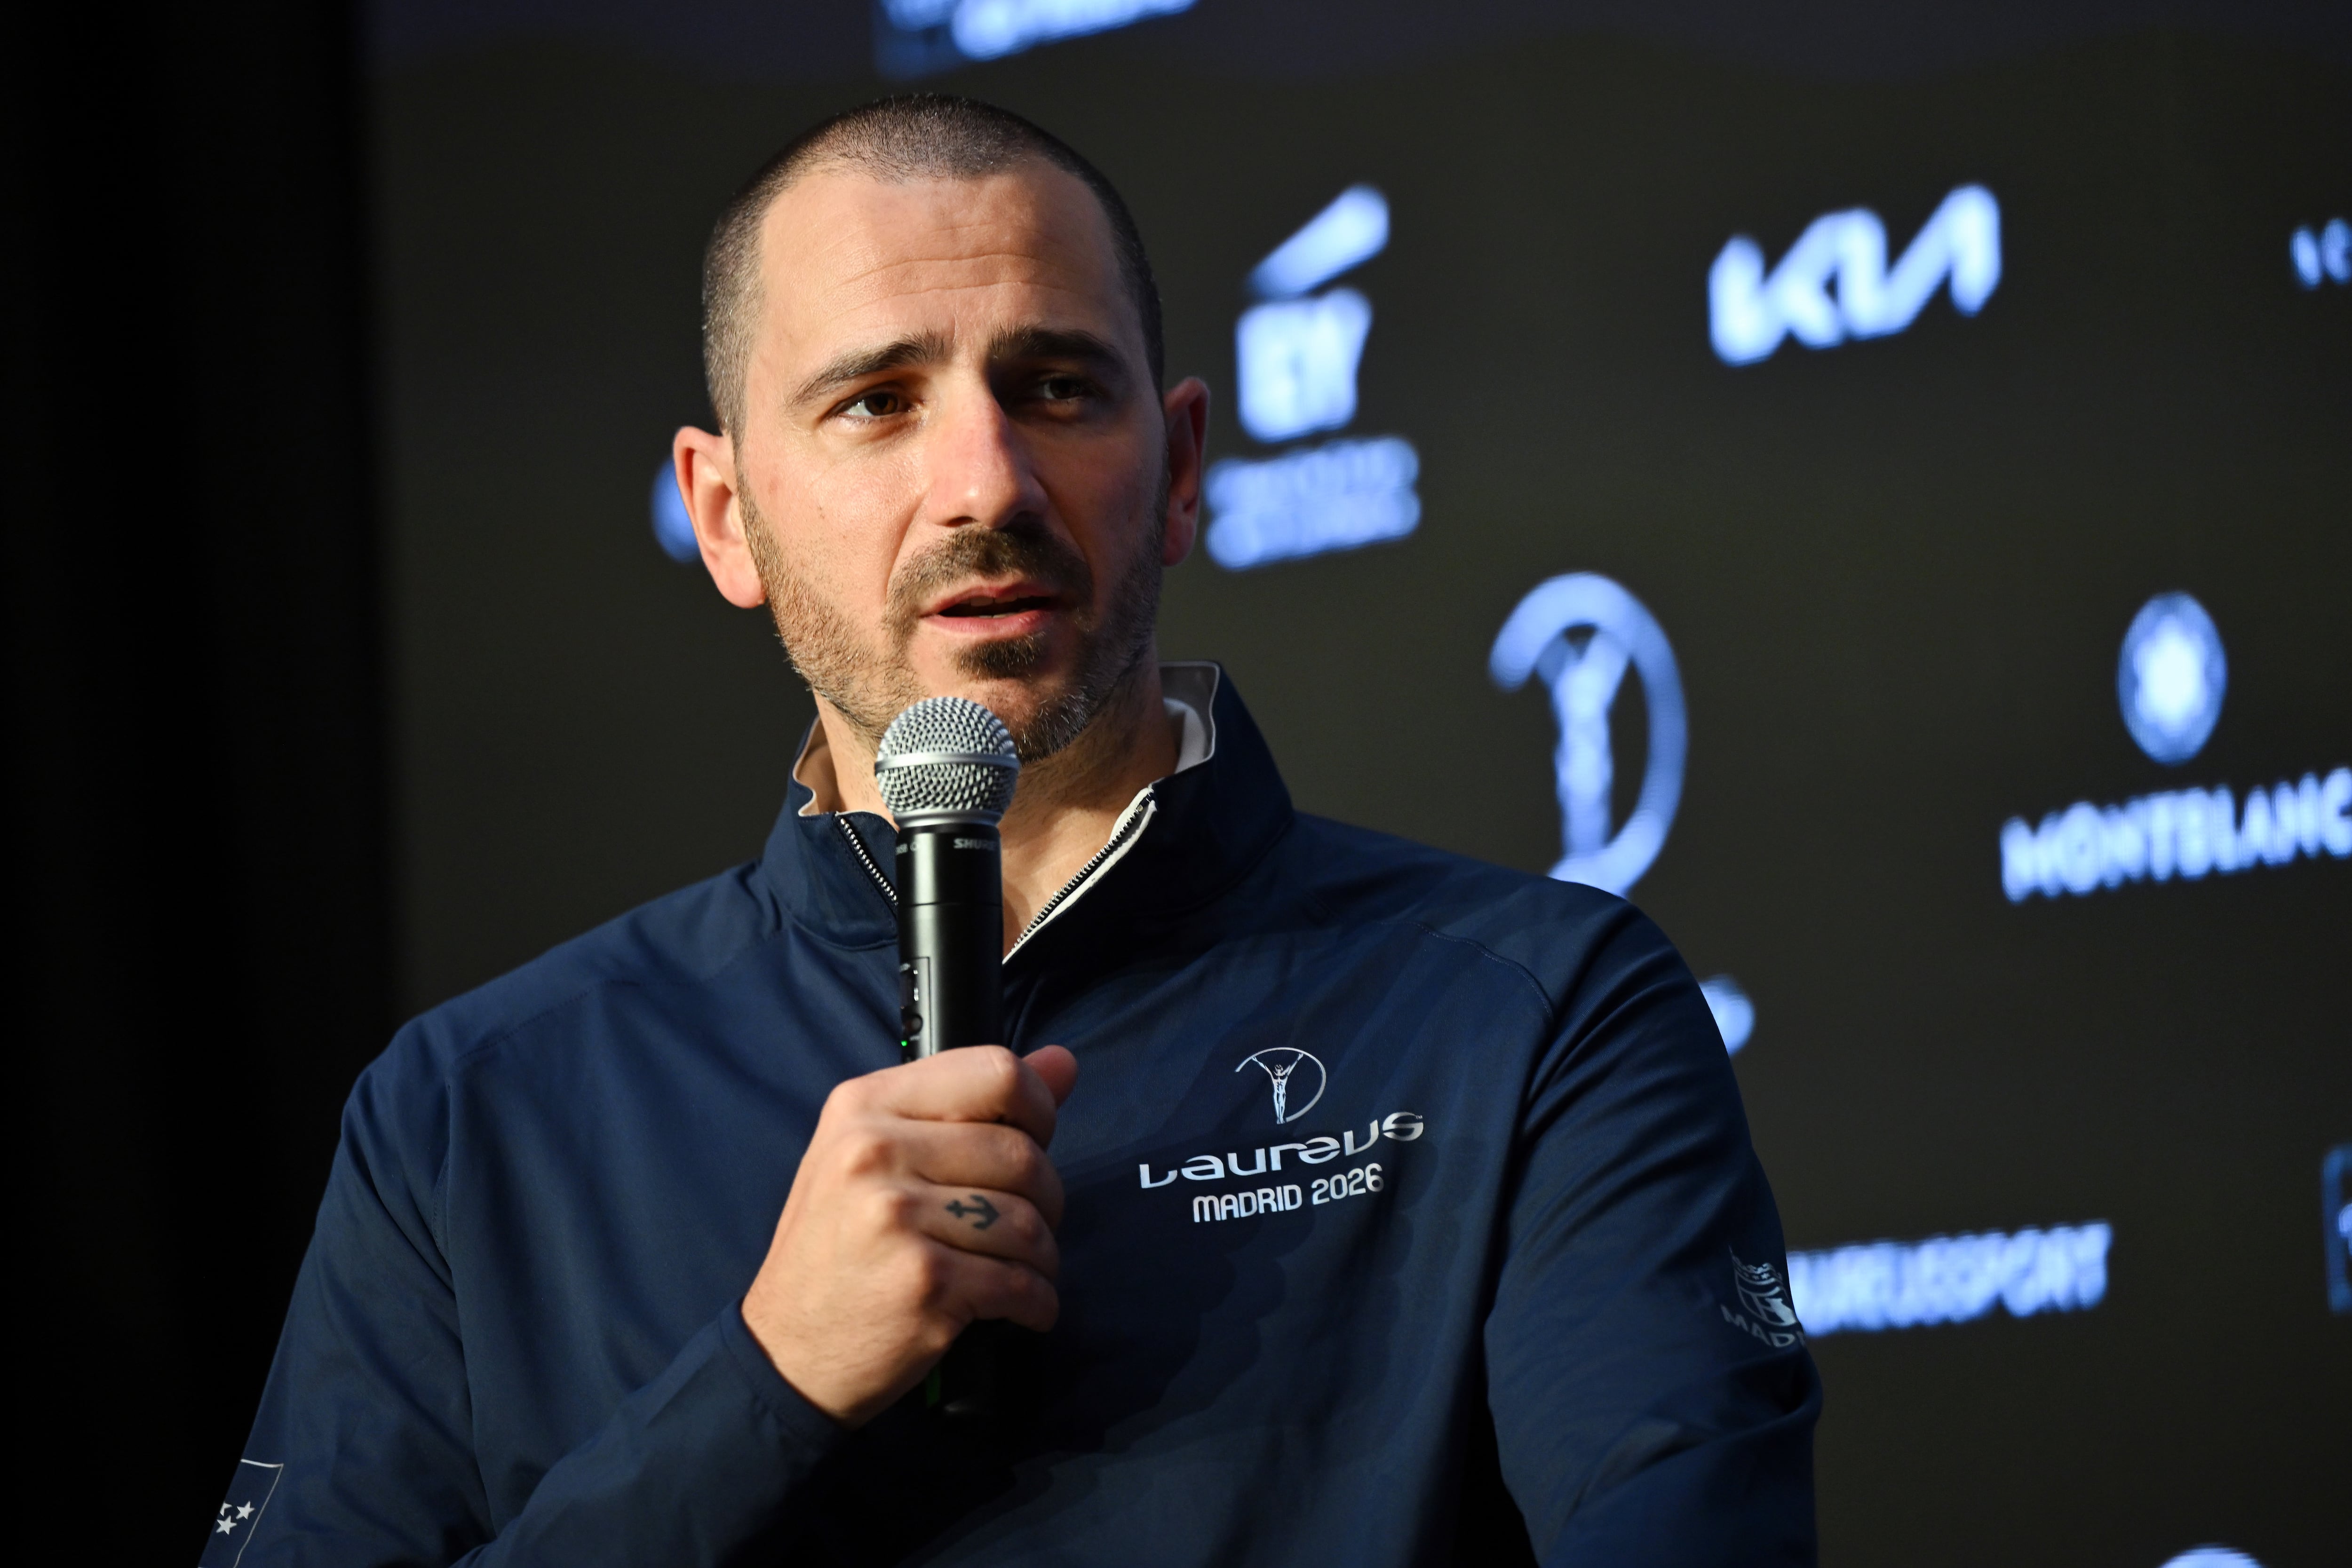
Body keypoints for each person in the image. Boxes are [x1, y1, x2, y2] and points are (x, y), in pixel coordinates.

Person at [210, 95, 1818, 1568]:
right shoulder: (462, 1121)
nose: (983, 481)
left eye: (1054, 387)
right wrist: (767, 1382)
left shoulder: (1540, 1016)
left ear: (1179, 470)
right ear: (726, 518)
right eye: (877, 402)